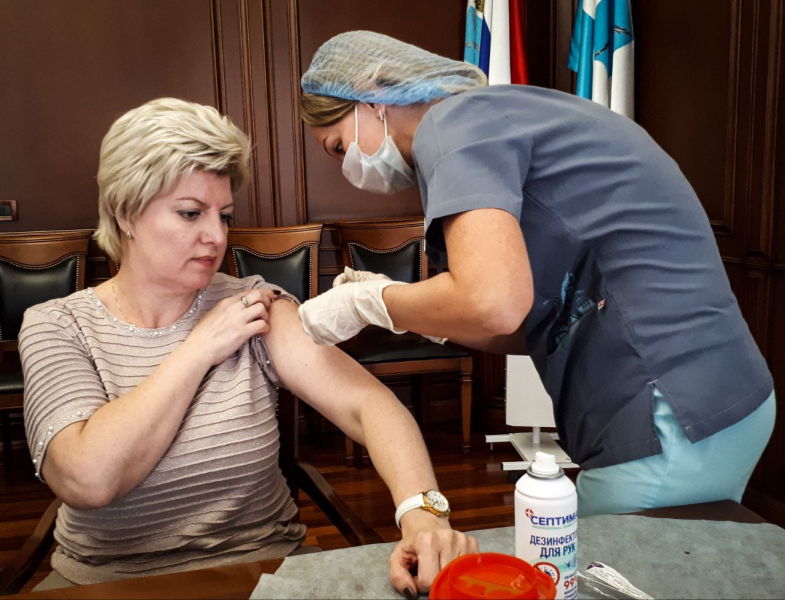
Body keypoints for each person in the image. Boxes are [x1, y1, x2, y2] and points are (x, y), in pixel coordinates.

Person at [298, 31, 776, 518]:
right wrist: (417, 312)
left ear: (370, 96)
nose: (347, 166)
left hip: (668, 410)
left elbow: (493, 304)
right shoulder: (499, 118)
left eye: (338, 146)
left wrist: (370, 302)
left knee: (595, 563)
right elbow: (517, 324)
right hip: (721, 397)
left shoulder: (452, 123)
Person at [20, 97, 477, 596]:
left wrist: (421, 513)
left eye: (224, 215)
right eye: (190, 213)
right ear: (126, 211)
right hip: (108, 585)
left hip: (266, 574)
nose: (216, 236)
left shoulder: (254, 305)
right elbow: (87, 480)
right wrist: (199, 348)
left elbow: (369, 405)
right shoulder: (56, 325)